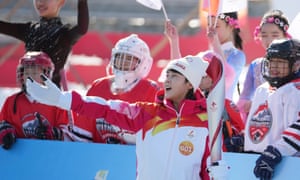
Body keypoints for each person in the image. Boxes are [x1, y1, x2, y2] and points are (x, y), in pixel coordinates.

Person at [26, 55, 230, 180]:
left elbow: (207, 169)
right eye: (166, 75)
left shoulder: (206, 123)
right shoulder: (147, 113)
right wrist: (62, 99)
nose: (166, 80)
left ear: (189, 85)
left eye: (174, 76)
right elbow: (105, 108)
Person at [69, 34, 160, 144]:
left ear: (143, 64)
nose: (122, 63)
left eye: (129, 59)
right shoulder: (98, 86)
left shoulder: (151, 91)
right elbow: (83, 133)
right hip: (99, 154)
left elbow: (155, 137)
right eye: (119, 57)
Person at [242, 39, 300, 179]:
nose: (274, 66)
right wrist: (244, 139)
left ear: (296, 65)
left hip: (288, 165)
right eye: (272, 61)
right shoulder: (262, 89)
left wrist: (276, 152)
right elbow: (261, 122)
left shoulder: (295, 90)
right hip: (258, 162)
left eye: (280, 62)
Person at [0, 0, 89, 90]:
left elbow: (82, 28)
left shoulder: (64, 34)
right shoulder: (30, 30)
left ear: (61, 2)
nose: (40, 2)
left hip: (52, 97)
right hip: (28, 95)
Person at [0, 51, 69, 150]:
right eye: (26, 72)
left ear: (46, 75)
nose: (29, 76)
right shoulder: (11, 102)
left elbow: (69, 135)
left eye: (34, 73)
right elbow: (2, 124)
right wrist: (4, 132)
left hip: (50, 157)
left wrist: (54, 134)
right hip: (19, 157)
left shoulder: (57, 102)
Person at [237, 9, 291, 122]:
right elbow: (243, 99)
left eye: (275, 35)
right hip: (262, 123)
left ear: (285, 36)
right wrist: (250, 104)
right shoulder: (255, 66)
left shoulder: (294, 64)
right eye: (264, 35)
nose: (269, 40)